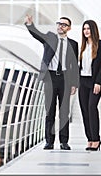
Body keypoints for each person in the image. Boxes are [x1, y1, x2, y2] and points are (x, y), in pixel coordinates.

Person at [24, 15, 79, 150]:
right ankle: (49, 142)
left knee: (64, 112)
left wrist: (74, 84)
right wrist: (30, 25)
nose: (60, 26)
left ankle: (64, 142)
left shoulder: (73, 44)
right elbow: (37, 35)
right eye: (59, 23)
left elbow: (74, 65)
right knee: (50, 111)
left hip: (65, 79)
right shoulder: (50, 37)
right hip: (50, 78)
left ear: (69, 28)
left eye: (64, 24)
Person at [78, 20, 101, 151]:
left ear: (93, 30)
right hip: (83, 81)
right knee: (84, 110)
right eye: (84, 29)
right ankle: (90, 139)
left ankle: (96, 139)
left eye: (88, 29)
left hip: (95, 81)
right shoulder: (83, 46)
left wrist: (98, 82)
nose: (86, 31)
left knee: (92, 107)